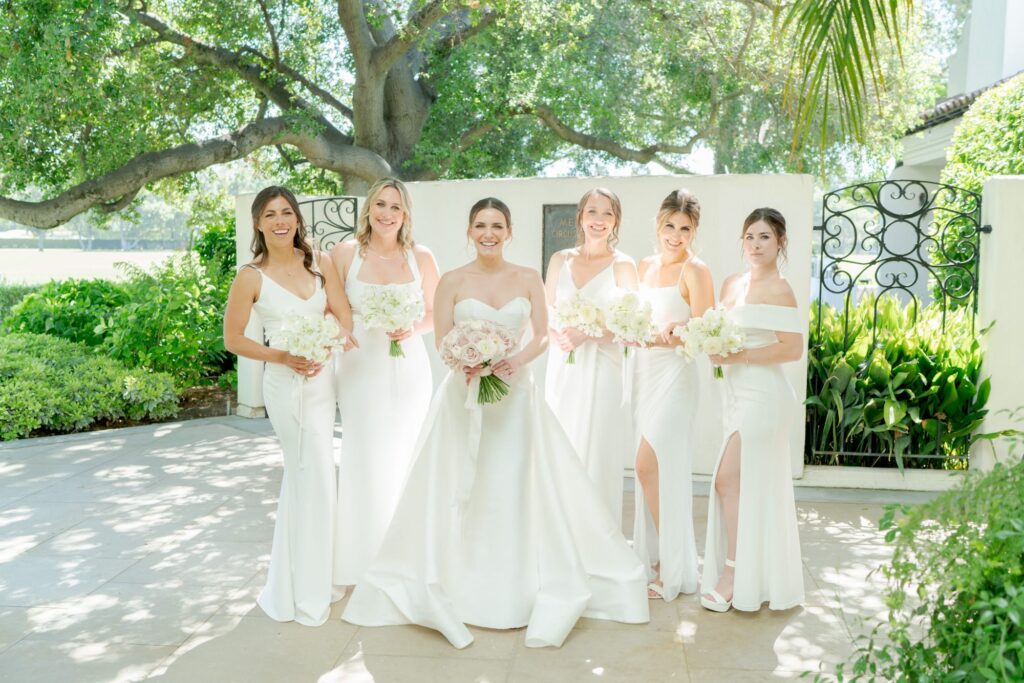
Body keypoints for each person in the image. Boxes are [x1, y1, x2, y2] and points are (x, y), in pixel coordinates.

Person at [341, 197, 649, 648]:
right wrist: (466, 361)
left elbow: (543, 335)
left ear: (509, 232)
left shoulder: (527, 278)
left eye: (497, 225)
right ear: (470, 231)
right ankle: (459, 582)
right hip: (462, 397)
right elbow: (443, 337)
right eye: (481, 225)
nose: (489, 233)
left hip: (515, 396)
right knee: (461, 485)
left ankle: (516, 584)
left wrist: (511, 361)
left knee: (510, 485)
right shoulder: (451, 280)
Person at [223, 186, 354, 626]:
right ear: (258, 223)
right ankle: (301, 586)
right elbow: (233, 338)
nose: (280, 221)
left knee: (316, 475)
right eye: (270, 214)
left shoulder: (320, 262)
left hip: (321, 380)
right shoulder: (250, 276)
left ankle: (311, 574)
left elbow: (343, 315)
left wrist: (323, 344)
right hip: (284, 382)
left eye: (286, 212)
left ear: (297, 219)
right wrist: (283, 354)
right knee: (309, 471)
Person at [329, 178, 439, 588]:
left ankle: (403, 553)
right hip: (360, 367)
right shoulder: (345, 254)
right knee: (365, 453)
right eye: (380, 204)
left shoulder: (421, 257)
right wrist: (339, 329)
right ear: (368, 209)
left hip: (408, 368)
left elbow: (436, 312)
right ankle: (361, 557)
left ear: (405, 213)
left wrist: (411, 328)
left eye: (395, 206)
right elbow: (329, 306)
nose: (387, 213)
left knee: (405, 453)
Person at [701, 207, 805, 613]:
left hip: (764, 395)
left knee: (727, 480)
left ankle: (732, 575)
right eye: (750, 236)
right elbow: (715, 329)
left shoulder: (781, 288)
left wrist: (739, 354)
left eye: (764, 237)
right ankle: (753, 574)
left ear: (780, 242)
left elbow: (792, 348)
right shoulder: (731, 283)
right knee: (744, 483)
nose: (756, 244)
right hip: (733, 394)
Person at [633, 189, 714, 601]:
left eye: (685, 229)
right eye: (670, 225)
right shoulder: (644, 267)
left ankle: (674, 562)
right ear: (658, 223)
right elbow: (632, 316)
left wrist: (677, 332)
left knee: (649, 464)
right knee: (652, 469)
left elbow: (705, 330)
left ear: (693, 231)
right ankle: (664, 558)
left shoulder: (695, 271)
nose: (676, 235)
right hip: (645, 374)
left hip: (676, 376)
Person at [544, 188, 638, 523]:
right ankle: (562, 534)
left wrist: (590, 332)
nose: (599, 221)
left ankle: (598, 537)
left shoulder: (622, 265)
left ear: (616, 221)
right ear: (580, 217)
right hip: (564, 369)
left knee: (598, 453)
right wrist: (557, 332)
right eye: (592, 212)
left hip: (603, 371)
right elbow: (546, 312)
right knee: (562, 449)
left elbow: (633, 328)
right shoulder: (560, 260)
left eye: (607, 214)